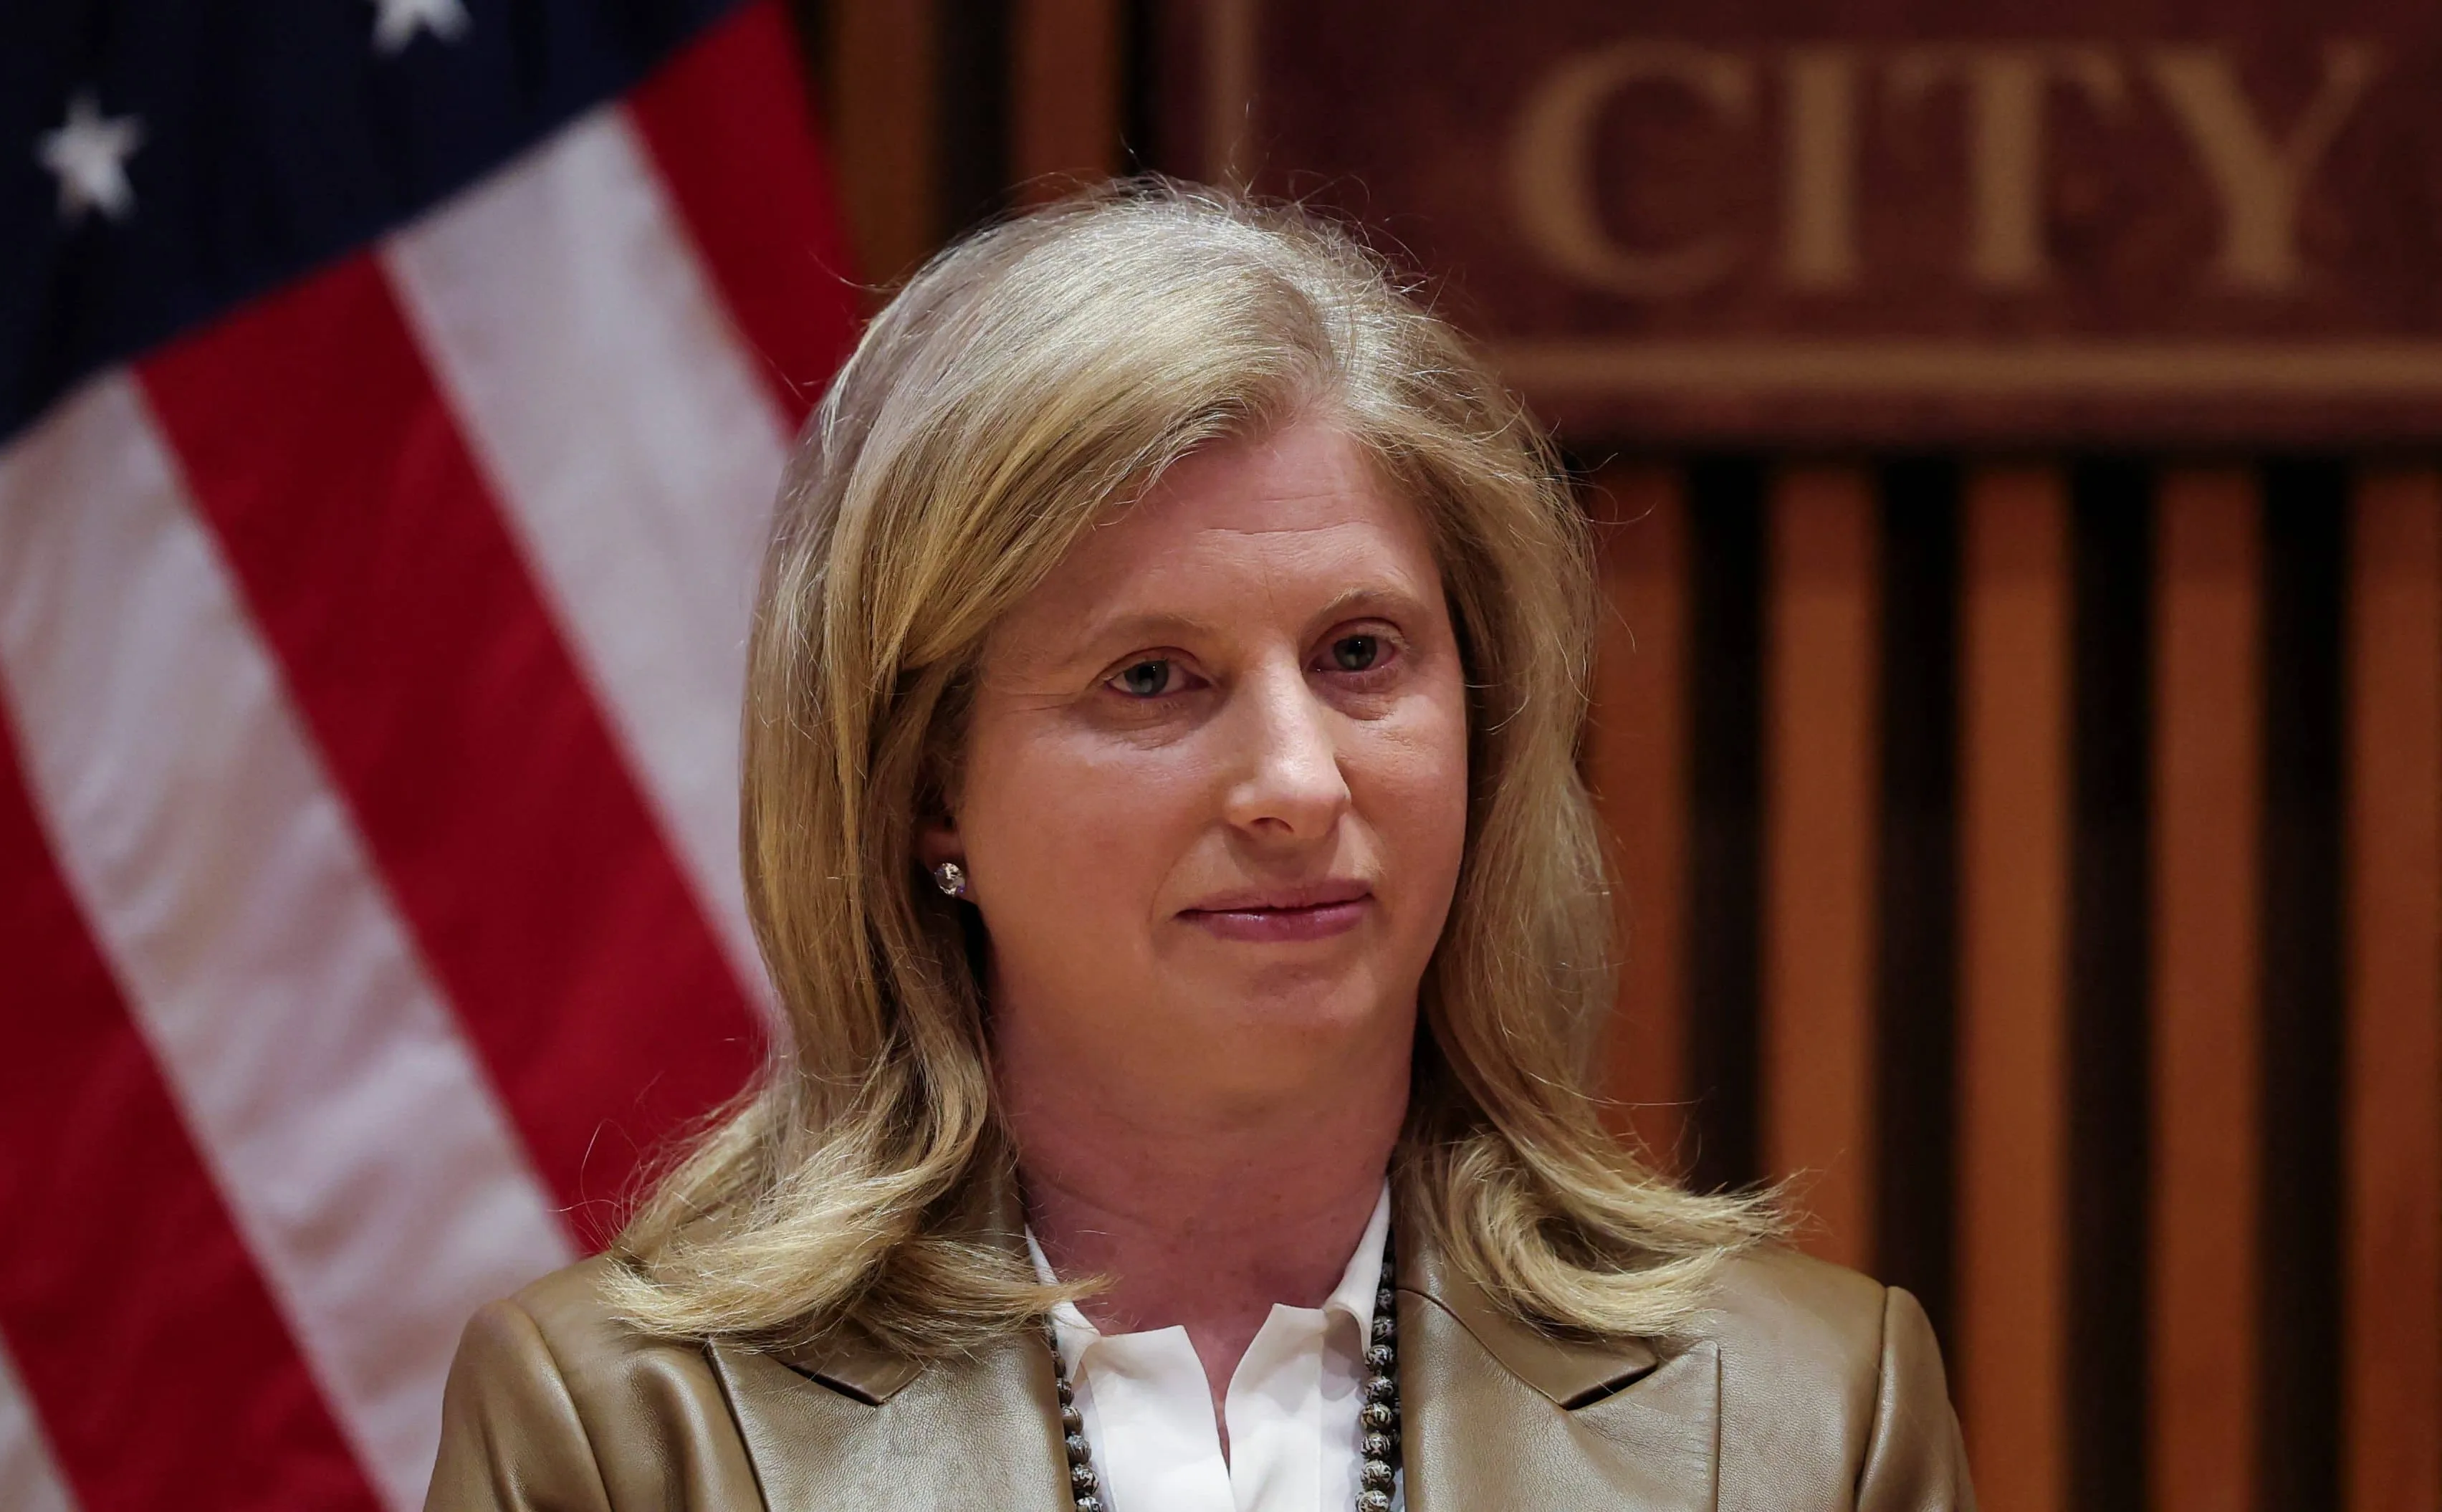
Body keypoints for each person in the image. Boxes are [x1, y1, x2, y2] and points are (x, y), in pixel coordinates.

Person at [425, 181, 1973, 1512]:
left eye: (1360, 653)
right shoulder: (631, 1435)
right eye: (1152, 677)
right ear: (925, 788)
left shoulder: (1803, 1422)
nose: (1295, 782)